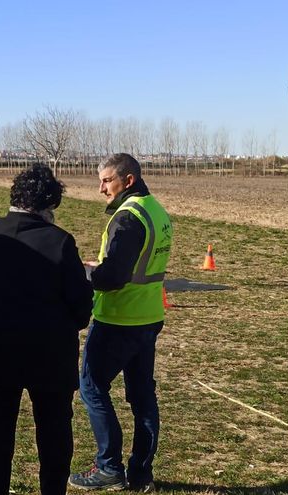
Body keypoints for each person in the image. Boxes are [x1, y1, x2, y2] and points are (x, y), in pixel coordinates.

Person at [0, 164, 93, 495]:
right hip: (48, 355)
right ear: (50, 204)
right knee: (53, 432)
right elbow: (81, 306)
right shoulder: (61, 242)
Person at [69, 153, 172, 493]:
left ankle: (109, 466)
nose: (101, 188)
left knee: (92, 387)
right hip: (149, 317)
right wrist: (103, 264)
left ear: (127, 181)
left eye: (106, 180)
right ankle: (141, 474)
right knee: (143, 396)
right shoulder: (156, 210)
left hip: (118, 319)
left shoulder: (128, 218)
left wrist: (87, 273)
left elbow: (113, 277)